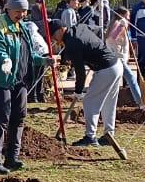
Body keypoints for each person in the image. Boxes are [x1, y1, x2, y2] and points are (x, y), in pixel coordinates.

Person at [0, 0, 48, 173]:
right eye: (18, 11)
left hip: (20, 80)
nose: (21, 14)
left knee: (18, 117)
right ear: (8, 9)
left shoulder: (22, 27)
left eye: (24, 11)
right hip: (1, 79)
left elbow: (27, 54)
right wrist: (4, 59)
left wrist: (42, 61)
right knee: (1, 119)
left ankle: (12, 157)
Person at [51, 20, 122, 148]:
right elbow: (98, 30)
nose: (54, 39)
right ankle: (108, 135)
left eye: (53, 35)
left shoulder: (72, 43)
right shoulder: (80, 27)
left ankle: (90, 137)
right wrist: (95, 49)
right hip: (116, 64)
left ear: (61, 29)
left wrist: (78, 91)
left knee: (90, 101)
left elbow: (80, 72)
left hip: (106, 69)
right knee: (108, 102)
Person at [107, 6, 144, 108]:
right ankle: (140, 102)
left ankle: (107, 102)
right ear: (122, 15)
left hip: (116, 57)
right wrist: (123, 25)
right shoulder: (120, 24)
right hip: (118, 58)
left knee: (112, 81)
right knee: (131, 78)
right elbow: (112, 37)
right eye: (127, 16)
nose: (128, 18)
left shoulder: (114, 23)